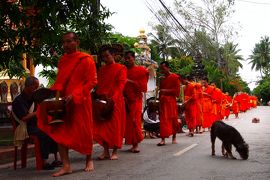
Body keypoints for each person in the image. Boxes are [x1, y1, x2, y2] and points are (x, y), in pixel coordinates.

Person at [37, 32, 97, 176]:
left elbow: (92, 82)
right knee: (59, 130)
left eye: (69, 41)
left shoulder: (86, 59)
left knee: (85, 131)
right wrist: (52, 93)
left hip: (81, 100)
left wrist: (75, 94)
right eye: (64, 42)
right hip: (63, 101)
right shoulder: (63, 60)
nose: (65, 45)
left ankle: (89, 159)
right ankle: (66, 165)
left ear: (77, 42)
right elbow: (61, 81)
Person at [12, 76, 60, 170]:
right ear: (28, 86)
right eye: (35, 87)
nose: (36, 89)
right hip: (25, 127)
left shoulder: (33, 99)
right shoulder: (19, 100)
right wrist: (38, 111)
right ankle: (44, 162)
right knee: (43, 132)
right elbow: (24, 118)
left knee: (52, 128)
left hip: (35, 125)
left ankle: (56, 158)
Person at [93, 45, 127, 160]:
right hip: (103, 100)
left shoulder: (121, 68)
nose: (105, 58)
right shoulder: (101, 70)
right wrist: (98, 96)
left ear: (113, 55)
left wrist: (113, 99)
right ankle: (106, 151)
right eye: (103, 57)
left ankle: (115, 151)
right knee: (103, 126)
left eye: (107, 55)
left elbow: (121, 85)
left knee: (115, 127)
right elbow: (100, 85)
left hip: (115, 101)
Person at [123, 51, 149, 153]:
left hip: (136, 99)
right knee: (128, 122)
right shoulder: (124, 70)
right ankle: (132, 143)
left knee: (135, 121)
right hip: (126, 99)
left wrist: (129, 81)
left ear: (134, 58)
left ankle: (136, 144)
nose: (127, 60)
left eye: (129, 58)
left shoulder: (141, 70)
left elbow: (143, 87)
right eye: (126, 58)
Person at [157, 61, 180, 146]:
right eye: (161, 69)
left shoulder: (175, 77)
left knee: (173, 119)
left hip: (171, 102)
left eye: (163, 68)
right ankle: (163, 139)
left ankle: (174, 137)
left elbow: (177, 92)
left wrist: (165, 91)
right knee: (163, 120)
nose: (162, 70)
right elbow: (160, 91)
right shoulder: (161, 78)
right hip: (163, 102)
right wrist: (159, 103)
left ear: (168, 68)